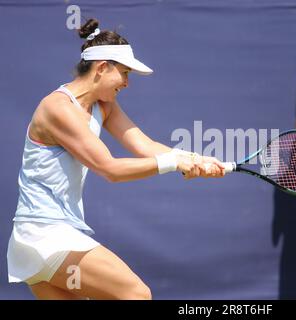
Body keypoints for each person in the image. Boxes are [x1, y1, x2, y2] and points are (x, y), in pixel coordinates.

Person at [7, 18, 225, 300]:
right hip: (44, 237)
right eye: (124, 73)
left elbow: (145, 145)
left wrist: (194, 158)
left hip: (42, 245)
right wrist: (174, 163)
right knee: (137, 295)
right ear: (101, 68)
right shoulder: (57, 108)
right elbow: (109, 168)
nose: (127, 82)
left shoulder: (103, 106)